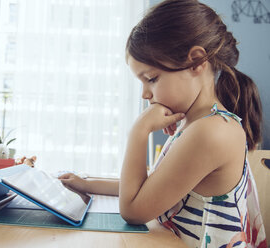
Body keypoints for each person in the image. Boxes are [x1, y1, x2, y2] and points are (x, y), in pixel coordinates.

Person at [59, 0, 267, 247]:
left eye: (152, 79)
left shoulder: (211, 132)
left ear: (196, 61)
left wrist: (139, 131)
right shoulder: (197, 123)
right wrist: (88, 184)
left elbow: (134, 210)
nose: (145, 94)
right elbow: (154, 186)